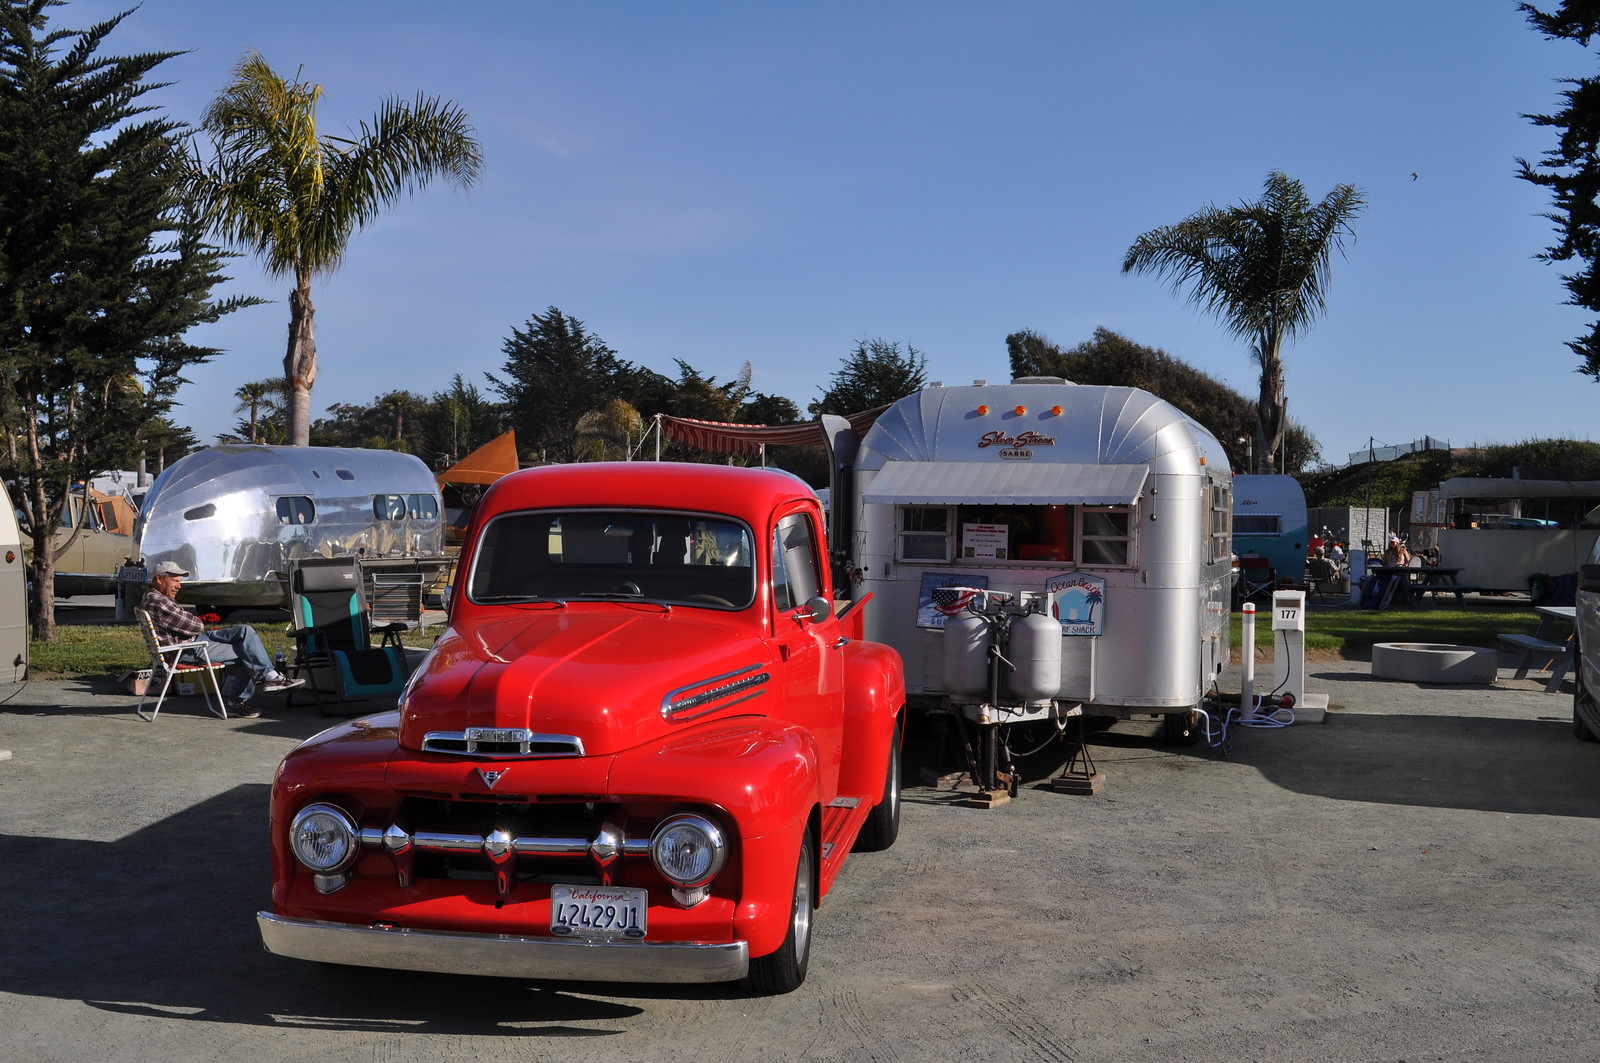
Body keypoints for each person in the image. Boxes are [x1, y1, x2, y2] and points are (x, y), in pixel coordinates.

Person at [139, 560, 301, 717]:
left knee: (245, 631)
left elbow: (192, 624)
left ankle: (270, 676)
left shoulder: (152, 598)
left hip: (192, 641)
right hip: (187, 649)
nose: (178, 586)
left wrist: (192, 620)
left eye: (179, 581)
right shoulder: (159, 601)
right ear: (159, 579)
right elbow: (197, 626)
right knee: (247, 653)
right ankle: (240, 700)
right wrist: (194, 620)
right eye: (174, 581)